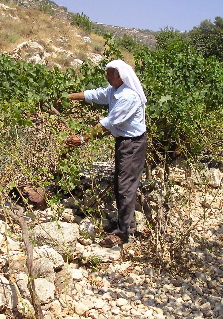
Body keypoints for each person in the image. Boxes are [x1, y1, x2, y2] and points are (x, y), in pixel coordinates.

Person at [65, 59, 147, 247]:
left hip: (132, 145)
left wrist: (83, 139)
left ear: (119, 76)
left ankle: (124, 232)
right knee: (122, 183)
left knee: (125, 185)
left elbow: (110, 123)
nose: (107, 77)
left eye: (109, 74)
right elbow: (94, 94)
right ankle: (129, 224)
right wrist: (69, 96)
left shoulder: (128, 97)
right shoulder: (114, 91)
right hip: (124, 143)